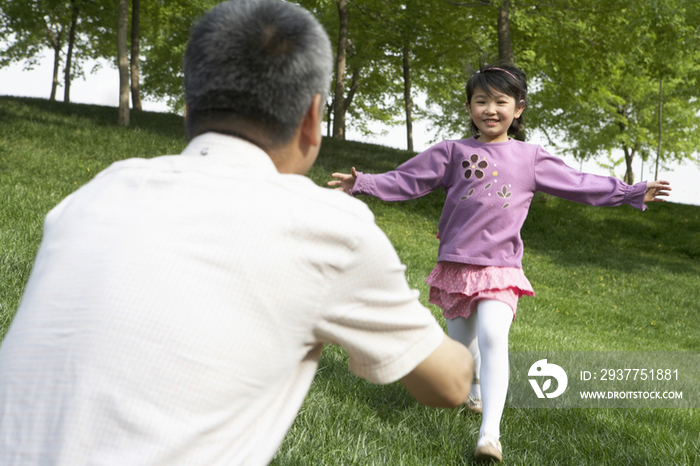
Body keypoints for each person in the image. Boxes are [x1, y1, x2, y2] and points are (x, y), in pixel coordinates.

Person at [0, 1, 474, 465]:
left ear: (189, 109)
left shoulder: (97, 192)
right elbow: (450, 385)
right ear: (312, 118)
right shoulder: (326, 226)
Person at [328, 63, 672, 462]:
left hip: (501, 266)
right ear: (470, 106)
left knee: (493, 335)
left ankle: (489, 435)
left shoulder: (530, 157)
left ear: (519, 108)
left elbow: (578, 184)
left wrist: (629, 192)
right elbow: (410, 180)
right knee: (460, 345)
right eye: (481, 101)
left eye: (500, 102)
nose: (490, 110)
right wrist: (365, 183)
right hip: (457, 263)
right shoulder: (453, 152)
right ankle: (474, 387)